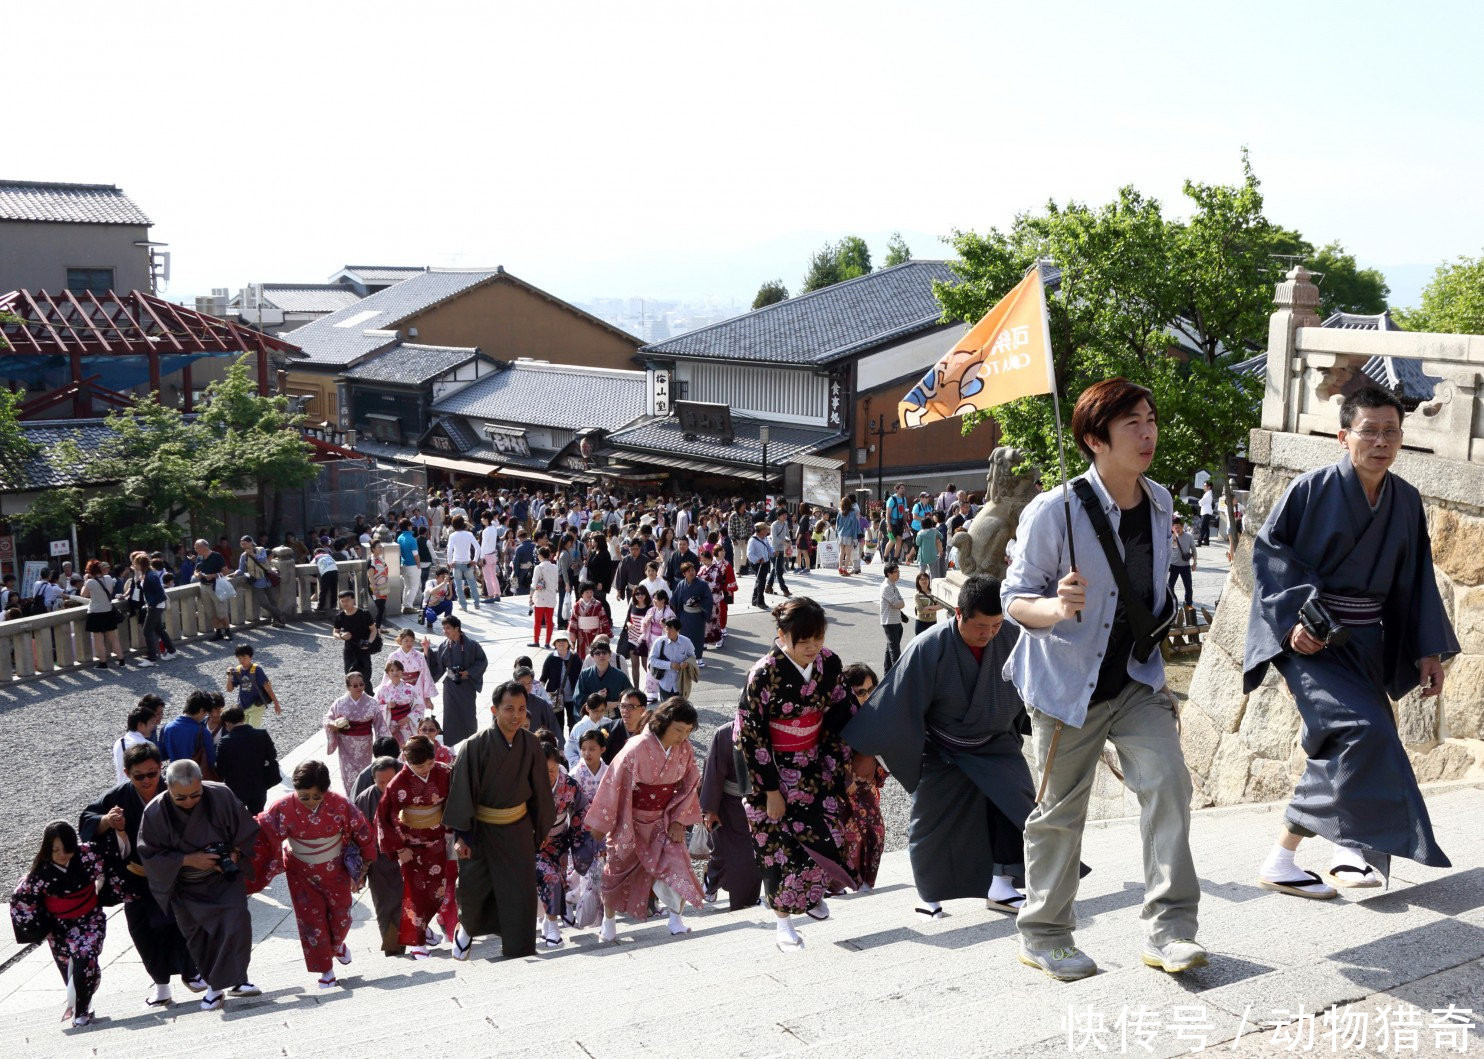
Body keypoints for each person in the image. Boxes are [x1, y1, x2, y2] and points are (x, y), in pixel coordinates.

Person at [1002, 377, 1201, 981]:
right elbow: (1015, 600)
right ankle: (1044, 933)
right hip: (1068, 684)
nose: (1148, 434)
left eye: (1150, 419)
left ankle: (1171, 931)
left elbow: (1151, 595)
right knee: (1061, 811)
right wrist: (1056, 608)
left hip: (1137, 679)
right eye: (1131, 424)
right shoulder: (1053, 510)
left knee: (1169, 784)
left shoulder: (1162, 502)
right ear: (1094, 439)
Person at [1245, 387, 1458, 896]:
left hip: (1367, 641)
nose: (1380, 441)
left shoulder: (1405, 500)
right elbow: (1271, 557)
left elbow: (1415, 580)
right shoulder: (1310, 489)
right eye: (1369, 430)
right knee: (1364, 732)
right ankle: (1283, 858)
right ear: (1344, 436)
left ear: (1402, 438)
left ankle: (1345, 852)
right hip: (1311, 642)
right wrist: (1295, 623)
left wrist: (1426, 649)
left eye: (1391, 431)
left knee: (1352, 740)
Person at [846, 574, 1049, 922]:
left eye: (996, 625)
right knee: (929, 822)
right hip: (943, 747)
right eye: (981, 626)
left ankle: (1001, 885)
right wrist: (865, 751)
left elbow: (1038, 683)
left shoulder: (1013, 638)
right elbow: (897, 698)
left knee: (1013, 807)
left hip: (995, 743)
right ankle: (929, 896)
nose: (988, 634)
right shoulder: (930, 645)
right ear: (959, 614)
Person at [737, 597, 857, 951]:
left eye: (817, 638)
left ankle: (811, 896)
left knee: (828, 830)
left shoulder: (828, 662)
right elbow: (751, 734)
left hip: (814, 764)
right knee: (777, 847)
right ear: (781, 635)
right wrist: (770, 790)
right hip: (771, 767)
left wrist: (858, 751)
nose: (812, 647)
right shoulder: (763, 673)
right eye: (803, 641)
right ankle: (783, 922)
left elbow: (843, 709)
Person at [81, 743, 205, 1008]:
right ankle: (161, 986)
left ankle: (191, 971)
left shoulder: (173, 789)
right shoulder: (117, 797)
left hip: (175, 871)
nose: (147, 780)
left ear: (161, 768)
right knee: (144, 931)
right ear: (127, 773)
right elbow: (87, 820)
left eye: (152, 773)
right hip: (135, 877)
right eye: (139, 776)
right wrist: (107, 821)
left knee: (183, 922)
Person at [443, 681, 556, 960]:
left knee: (520, 892)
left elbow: (540, 790)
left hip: (517, 829)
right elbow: (462, 792)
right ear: (494, 710)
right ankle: (466, 929)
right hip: (481, 829)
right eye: (509, 709)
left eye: (521, 709)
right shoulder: (475, 745)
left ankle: (519, 951)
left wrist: (541, 827)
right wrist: (462, 837)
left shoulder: (530, 744)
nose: (516, 715)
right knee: (473, 889)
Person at [138, 759, 260, 1011]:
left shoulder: (220, 795)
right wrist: (186, 859)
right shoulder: (155, 812)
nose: (190, 801)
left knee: (236, 923)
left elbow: (245, 828)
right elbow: (149, 854)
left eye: (195, 794)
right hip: (185, 887)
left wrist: (234, 854)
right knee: (200, 938)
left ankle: (225, 984)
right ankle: (219, 984)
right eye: (180, 798)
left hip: (223, 879)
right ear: (168, 788)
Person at [585, 696, 704, 941]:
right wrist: (602, 823)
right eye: (679, 730)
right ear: (663, 723)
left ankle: (675, 918)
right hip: (631, 818)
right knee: (616, 870)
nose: (683, 736)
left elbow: (690, 783)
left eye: (688, 731)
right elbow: (613, 784)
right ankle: (608, 921)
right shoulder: (636, 747)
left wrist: (679, 820)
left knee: (678, 864)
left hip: (664, 819)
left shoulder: (685, 750)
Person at [251, 760, 375, 990]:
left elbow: (362, 830)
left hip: (335, 870)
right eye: (304, 796)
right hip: (301, 871)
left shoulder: (339, 804)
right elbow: (261, 829)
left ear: (325, 790)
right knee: (312, 922)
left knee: (342, 917)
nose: (310, 802)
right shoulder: (283, 806)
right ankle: (326, 970)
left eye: (316, 796)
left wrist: (366, 862)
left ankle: (336, 946)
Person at [10, 821, 108, 1026]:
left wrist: (101, 887)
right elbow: (21, 900)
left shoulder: (87, 855)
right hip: (59, 928)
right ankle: (83, 1004)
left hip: (89, 920)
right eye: (55, 850)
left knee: (85, 959)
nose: (61, 854)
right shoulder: (38, 875)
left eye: (66, 848)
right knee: (71, 970)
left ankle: (80, 1013)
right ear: (46, 849)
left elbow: (110, 864)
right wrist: (37, 927)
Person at [376, 735, 459, 960]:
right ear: (406, 761)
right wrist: (399, 848)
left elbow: (457, 801)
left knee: (438, 891)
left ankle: (426, 929)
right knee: (415, 893)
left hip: (438, 841)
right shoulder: (397, 784)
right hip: (411, 847)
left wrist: (454, 830)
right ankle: (417, 943)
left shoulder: (444, 773)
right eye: (419, 765)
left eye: (429, 763)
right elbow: (384, 817)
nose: (426, 769)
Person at [699, 719, 763, 912]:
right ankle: (714, 881)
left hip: (761, 804)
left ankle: (747, 899)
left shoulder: (768, 726)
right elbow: (713, 772)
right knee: (726, 854)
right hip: (728, 804)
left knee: (754, 856)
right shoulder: (725, 732)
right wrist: (710, 809)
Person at [835, 663, 888, 892]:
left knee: (875, 833)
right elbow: (832, 752)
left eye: (870, 689)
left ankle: (866, 883)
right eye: (860, 691)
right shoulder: (837, 716)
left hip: (866, 787)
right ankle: (838, 885)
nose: (867, 696)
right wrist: (848, 779)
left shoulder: (877, 713)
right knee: (845, 837)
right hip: (842, 788)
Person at [536, 743, 593, 947]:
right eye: (542, 771)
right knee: (549, 878)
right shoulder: (525, 784)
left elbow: (581, 810)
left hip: (559, 841)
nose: (547, 775)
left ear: (558, 766)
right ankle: (552, 927)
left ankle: (547, 925)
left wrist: (580, 838)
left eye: (551, 770)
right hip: (533, 844)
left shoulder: (568, 784)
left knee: (558, 880)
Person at [354, 756, 407, 956]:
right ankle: (394, 948)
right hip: (380, 860)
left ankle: (419, 941)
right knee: (386, 906)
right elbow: (358, 835)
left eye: (390, 781)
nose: (385, 786)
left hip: (411, 854)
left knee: (413, 900)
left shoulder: (408, 789)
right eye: (380, 782)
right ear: (373, 779)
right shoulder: (365, 799)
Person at [424, 615, 488, 748]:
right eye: (444, 628)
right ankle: (450, 745)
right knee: (450, 716)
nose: (445, 631)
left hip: (466, 685)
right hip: (450, 686)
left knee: (468, 714)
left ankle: (471, 744)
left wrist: (469, 672)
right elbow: (437, 665)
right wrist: (426, 650)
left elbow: (482, 661)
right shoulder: (443, 645)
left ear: (457, 628)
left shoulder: (472, 645)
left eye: (448, 628)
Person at [324, 671, 389, 795]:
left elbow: (380, 724)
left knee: (364, 772)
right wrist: (332, 724)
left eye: (361, 684)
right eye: (355, 685)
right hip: (346, 745)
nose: (359, 687)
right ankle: (351, 800)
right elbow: (327, 718)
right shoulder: (340, 702)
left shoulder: (371, 702)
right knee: (348, 775)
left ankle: (363, 798)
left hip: (365, 744)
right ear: (348, 687)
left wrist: (382, 745)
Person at [215, 706, 280, 814]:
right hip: (258, 786)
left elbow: (221, 768)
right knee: (257, 816)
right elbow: (272, 755)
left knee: (237, 820)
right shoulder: (262, 734)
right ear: (243, 718)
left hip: (236, 788)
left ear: (227, 723)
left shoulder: (225, 742)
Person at [72, 559, 126, 670]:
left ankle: (103, 663)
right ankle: (121, 661)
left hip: (96, 612)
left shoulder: (90, 582)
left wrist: (86, 581)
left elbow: (83, 595)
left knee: (98, 640)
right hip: (108, 610)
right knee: (113, 638)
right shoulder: (109, 578)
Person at [157, 689, 218, 777]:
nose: (205, 716)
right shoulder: (203, 732)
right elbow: (210, 761)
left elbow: (162, 755)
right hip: (195, 779)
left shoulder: (167, 727)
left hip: (174, 777)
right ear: (201, 710)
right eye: (206, 713)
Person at [235, 536, 288, 628]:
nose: (243, 546)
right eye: (242, 544)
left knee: (273, 601)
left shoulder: (261, 549)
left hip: (267, 579)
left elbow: (263, 560)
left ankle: (277, 621)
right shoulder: (244, 556)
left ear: (251, 542)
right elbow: (241, 569)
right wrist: (235, 573)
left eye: (245, 543)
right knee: (263, 603)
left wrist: (252, 554)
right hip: (256, 581)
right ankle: (280, 614)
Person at [226, 643, 282, 729]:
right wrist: (229, 677)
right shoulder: (238, 670)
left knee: (252, 730)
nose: (242, 661)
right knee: (243, 731)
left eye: (244, 658)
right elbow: (229, 689)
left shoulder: (257, 670)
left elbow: (267, 687)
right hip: (242, 706)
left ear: (251, 657)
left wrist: (276, 703)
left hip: (256, 706)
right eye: (239, 658)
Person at [388, 628, 437, 721]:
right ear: (400, 640)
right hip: (398, 690)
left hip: (417, 689)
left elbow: (425, 676)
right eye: (406, 640)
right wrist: (387, 693)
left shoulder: (419, 656)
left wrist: (427, 698)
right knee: (399, 719)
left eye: (411, 641)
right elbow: (388, 676)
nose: (409, 643)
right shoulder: (393, 656)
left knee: (417, 719)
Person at [112, 695, 164, 782]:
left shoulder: (119, 741)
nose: (153, 726)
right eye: (151, 723)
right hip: (140, 788)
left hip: (122, 788)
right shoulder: (148, 745)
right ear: (140, 724)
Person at [670, 562, 712, 668]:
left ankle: (699, 658)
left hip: (697, 615)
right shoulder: (681, 584)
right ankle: (686, 659)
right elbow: (675, 600)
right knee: (684, 637)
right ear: (684, 573)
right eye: (688, 571)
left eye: (693, 570)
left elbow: (708, 599)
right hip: (685, 615)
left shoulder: (702, 584)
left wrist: (699, 603)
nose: (691, 572)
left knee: (698, 637)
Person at [332, 590, 379, 681]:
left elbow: (373, 630)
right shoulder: (340, 616)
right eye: (342, 601)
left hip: (363, 648)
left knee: (365, 677)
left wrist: (369, 643)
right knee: (350, 676)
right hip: (349, 650)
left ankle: (368, 693)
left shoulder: (364, 613)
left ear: (353, 600)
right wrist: (341, 636)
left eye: (347, 600)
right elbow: (335, 633)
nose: (345, 603)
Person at [375, 658, 424, 747]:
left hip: (406, 723)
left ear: (402, 672)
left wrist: (409, 717)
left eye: (398, 670)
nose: (395, 673)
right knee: (390, 749)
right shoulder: (382, 690)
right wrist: (386, 706)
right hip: (389, 724)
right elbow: (375, 708)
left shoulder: (410, 688)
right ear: (387, 673)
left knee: (408, 747)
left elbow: (420, 706)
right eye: (392, 670)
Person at [647, 616, 698, 699]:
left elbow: (692, 656)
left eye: (670, 629)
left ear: (677, 630)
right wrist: (670, 665)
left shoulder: (686, 642)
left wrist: (687, 663)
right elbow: (652, 660)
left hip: (681, 683)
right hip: (665, 684)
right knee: (666, 710)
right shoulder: (659, 642)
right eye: (666, 628)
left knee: (680, 710)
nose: (667, 632)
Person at [193, 538, 233, 641]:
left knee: (221, 611)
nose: (195, 549)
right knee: (210, 611)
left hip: (216, 586)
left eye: (196, 547)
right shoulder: (199, 557)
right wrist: (197, 574)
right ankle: (218, 632)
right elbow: (196, 571)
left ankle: (228, 631)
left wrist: (214, 575)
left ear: (203, 547)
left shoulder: (216, 556)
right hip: (204, 586)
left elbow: (226, 571)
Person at [574, 636, 628, 711]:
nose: (601, 655)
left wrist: (618, 704)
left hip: (614, 718)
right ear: (592, 656)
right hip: (592, 717)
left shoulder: (620, 676)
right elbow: (578, 698)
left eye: (604, 652)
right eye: (597, 653)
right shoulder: (585, 675)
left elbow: (629, 695)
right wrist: (597, 698)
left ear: (609, 655)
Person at [542, 631, 583, 727]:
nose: (561, 643)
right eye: (558, 641)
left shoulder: (575, 657)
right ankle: (560, 742)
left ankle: (572, 741)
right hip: (555, 697)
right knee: (558, 723)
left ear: (568, 643)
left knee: (573, 722)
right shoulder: (551, 658)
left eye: (564, 640)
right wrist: (541, 694)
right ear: (554, 644)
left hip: (572, 696)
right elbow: (543, 677)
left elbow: (581, 675)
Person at [700, 544, 738, 647]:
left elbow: (730, 577)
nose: (723, 553)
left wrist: (729, 589)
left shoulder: (726, 564)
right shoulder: (706, 566)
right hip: (706, 596)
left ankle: (722, 629)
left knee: (720, 612)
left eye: (724, 551)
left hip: (719, 592)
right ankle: (707, 638)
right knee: (707, 618)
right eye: (721, 551)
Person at [619, 585, 655, 690]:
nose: (640, 596)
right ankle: (636, 689)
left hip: (644, 640)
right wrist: (628, 624)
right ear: (634, 595)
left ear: (646, 595)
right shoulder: (633, 605)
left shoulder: (650, 608)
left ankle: (653, 686)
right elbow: (627, 620)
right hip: (632, 638)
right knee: (635, 665)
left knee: (645, 665)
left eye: (642, 593)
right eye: (637, 594)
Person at [568, 581, 611, 661]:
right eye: (587, 592)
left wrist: (607, 633)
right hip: (582, 635)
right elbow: (573, 621)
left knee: (596, 652)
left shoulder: (598, 604)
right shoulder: (577, 605)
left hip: (596, 633)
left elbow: (603, 619)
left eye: (591, 592)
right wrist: (572, 634)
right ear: (582, 593)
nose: (589, 594)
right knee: (582, 656)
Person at [445, 515, 482, 609]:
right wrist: (475, 560)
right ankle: (477, 603)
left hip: (456, 563)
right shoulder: (469, 534)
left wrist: (449, 562)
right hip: (468, 563)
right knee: (472, 584)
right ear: (463, 524)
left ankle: (463, 605)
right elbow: (478, 548)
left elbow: (449, 550)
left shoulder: (452, 535)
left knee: (458, 585)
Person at [515, 664, 561, 736]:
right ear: (515, 683)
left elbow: (553, 726)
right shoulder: (507, 702)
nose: (526, 687)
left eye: (530, 683)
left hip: (535, 744)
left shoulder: (540, 703)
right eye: (522, 683)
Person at [529, 546, 559, 648]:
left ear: (540, 555)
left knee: (538, 621)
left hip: (540, 596)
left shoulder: (539, 567)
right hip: (551, 596)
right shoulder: (555, 567)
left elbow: (534, 584)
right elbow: (556, 583)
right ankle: (547, 642)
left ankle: (536, 641)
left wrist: (530, 596)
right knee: (549, 621)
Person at [1168, 517, 1196, 608]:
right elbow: (1169, 550)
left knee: (1188, 587)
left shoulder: (1189, 536)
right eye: (1175, 527)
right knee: (1170, 586)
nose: (1177, 529)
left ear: (1183, 526)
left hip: (1185, 566)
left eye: (1178, 527)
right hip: (1173, 565)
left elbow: (1194, 550)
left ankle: (1189, 604)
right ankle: (1171, 602)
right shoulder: (1171, 537)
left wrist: (1195, 562)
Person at [396, 519, 422, 614]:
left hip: (404, 565)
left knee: (407, 586)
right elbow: (415, 554)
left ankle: (405, 605)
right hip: (413, 565)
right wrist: (419, 564)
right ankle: (408, 606)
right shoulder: (412, 539)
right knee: (414, 587)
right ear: (408, 526)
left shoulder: (399, 537)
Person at [747, 522, 773, 608]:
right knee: (761, 581)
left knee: (760, 581)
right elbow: (749, 554)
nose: (767, 530)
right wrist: (757, 559)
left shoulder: (764, 538)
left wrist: (773, 552)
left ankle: (755, 600)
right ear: (761, 530)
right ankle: (760, 602)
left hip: (765, 562)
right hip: (757, 563)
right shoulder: (752, 540)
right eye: (765, 529)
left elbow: (769, 547)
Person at [365, 541, 390, 627]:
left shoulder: (380, 559)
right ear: (373, 549)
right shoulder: (371, 561)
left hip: (383, 586)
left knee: (381, 607)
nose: (381, 548)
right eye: (379, 547)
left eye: (381, 547)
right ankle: (376, 627)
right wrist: (374, 588)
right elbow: (370, 576)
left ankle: (377, 627)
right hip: (375, 587)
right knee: (381, 608)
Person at [912, 570, 943, 635]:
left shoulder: (934, 593)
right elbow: (920, 610)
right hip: (921, 622)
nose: (924, 581)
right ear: (918, 582)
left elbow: (941, 605)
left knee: (932, 644)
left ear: (929, 580)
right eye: (921, 579)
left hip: (933, 622)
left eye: (926, 579)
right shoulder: (917, 595)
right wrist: (935, 608)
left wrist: (928, 607)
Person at [1197, 480, 1217, 546]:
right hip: (1206, 512)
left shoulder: (1208, 494)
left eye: (1205, 485)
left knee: (1203, 527)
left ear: (1209, 487)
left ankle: (1199, 542)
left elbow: (1200, 502)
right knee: (1206, 527)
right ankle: (1206, 541)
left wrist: (1200, 502)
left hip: (1206, 512)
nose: (1203, 487)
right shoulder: (1208, 493)